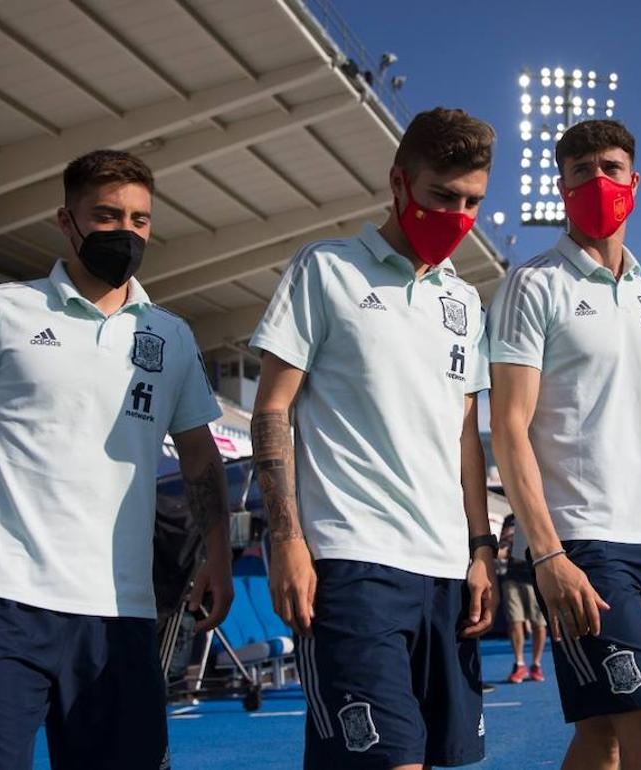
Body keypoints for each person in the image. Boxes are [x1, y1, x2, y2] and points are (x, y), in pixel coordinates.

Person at [0, 149, 233, 770]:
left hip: (122, 615)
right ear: (67, 222)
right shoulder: (1, 309)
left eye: (140, 220)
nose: (126, 232)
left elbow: (199, 457)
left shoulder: (171, 337)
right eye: (107, 215)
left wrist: (219, 556)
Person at [486, 119, 641, 770]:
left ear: (635, 181)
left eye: (609, 167)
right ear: (561, 186)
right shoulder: (533, 285)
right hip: (582, 547)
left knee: (601, 735)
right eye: (580, 171)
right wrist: (546, 553)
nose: (596, 182)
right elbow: (510, 424)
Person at [250, 107, 498, 770]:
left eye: (473, 201)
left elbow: (464, 436)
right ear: (399, 183)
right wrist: (287, 539)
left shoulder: (466, 302)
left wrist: (480, 549)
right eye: (443, 196)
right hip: (352, 564)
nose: (458, 214)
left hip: (446, 571)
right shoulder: (326, 270)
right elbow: (271, 408)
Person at [502, 514, 548, 683]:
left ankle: (536, 664)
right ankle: (519, 664)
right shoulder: (509, 519)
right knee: (515, 621)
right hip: (512, 576)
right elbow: (503, 548)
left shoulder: (539, 512)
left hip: (534, 576)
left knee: (539, 624)